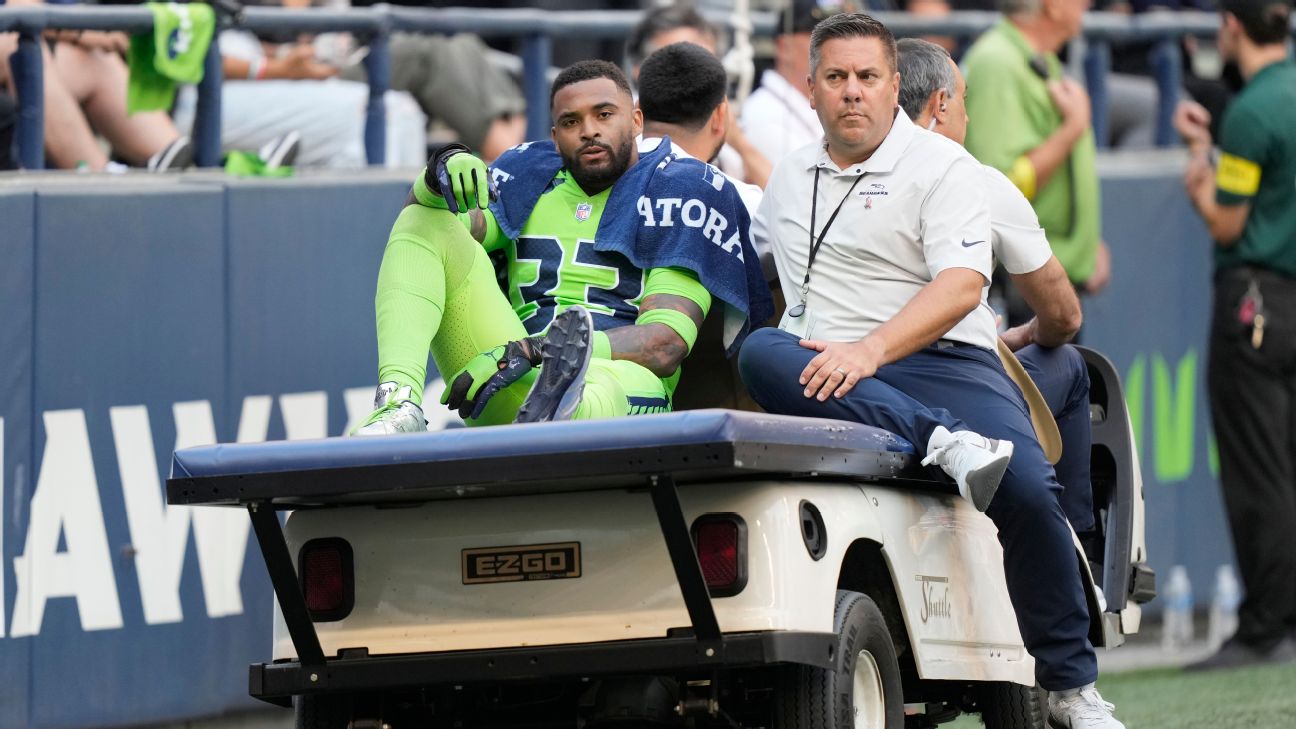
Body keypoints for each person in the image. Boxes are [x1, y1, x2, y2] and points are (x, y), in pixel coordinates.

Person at [737, 14, 1124, 727]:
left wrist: (871, 349)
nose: (852, 92)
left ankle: (1072, 686)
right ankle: (943, 441)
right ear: (811, 88)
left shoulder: (947, 166)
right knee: (758, 351)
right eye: (836, 78)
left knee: (1031, 490)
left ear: (892, 88)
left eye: (868, 77)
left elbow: (961, 288)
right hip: (833, 369)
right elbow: (760, 279)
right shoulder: (788, 177)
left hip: (939, 359)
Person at [354, 59, 770, 433]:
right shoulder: (528, 174)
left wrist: (536, 350)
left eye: (604, 115)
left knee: (603, 386)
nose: (588, 130)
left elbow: (664, 345)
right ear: (555, 136)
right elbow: (426, 232)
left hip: (618, 384)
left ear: (637, 120)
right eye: (571, 122)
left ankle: (562, 407)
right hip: (504, 374)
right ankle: (399, 402)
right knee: (423, 214)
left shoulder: (679, 187)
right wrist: (435, 179)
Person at [896, 38, 1097, 546]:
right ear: (941, 105)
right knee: (1069, 364)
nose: (968, 114)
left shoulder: (822, 178)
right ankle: (1076, 551)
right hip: (952, 389)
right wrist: (1024, 333)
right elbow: (1063, 316)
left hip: (856, 388)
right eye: (964, 99)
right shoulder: (977, 181)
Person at [1174, 0, 1296, 672]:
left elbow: (1227, 221)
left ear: (1232, 26)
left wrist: (1199, 170)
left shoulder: (1253, 112)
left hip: (1255, 301)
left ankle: (1267, 625)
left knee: (1260, 469)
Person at [961, 0, 1111, 312]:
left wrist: (1087, 243)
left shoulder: (1035, 57)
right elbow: (1002, 185)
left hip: (1052, 265)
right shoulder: (997, 62)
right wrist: (1072, 128)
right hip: (1027, 276)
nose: (1088, 3)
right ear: (1052, 5)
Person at [624, 2, 771, 188]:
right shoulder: (620, 141)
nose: (693, 77)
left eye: (704, 65)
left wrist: (739, 143)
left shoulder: (730, 142)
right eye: (676, 63)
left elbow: (782, 206)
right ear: (638, 68)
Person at [739, 0, 855, 170]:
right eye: (821, 36)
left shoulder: (837, 102)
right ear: (784, 47)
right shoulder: (763, 113)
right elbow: (802, 191)